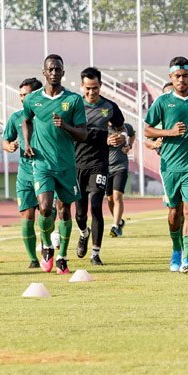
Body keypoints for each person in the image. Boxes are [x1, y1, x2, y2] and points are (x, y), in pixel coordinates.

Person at [144, 57, 188, 273]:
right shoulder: (163, 102)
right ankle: (176, 249)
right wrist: (169, 132)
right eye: (177, 76)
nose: (181, 80)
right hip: (169, 166)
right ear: (171, 77)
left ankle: (186, 258)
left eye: (185, 75)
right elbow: (147, 129)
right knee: (174, 213)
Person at [22, 54, 88, 275]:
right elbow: (26, 120)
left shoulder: (74, 100)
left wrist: (66, 126)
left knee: (64, 211)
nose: (53, 73)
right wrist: (28, 143)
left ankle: (62, 256)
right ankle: (48, 246)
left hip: (67, 164)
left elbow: (83, 134)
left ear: (63, 72)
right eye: (50, 69)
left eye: (57, 69)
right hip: (42, 163)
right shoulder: (32, 99)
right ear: (44, 72)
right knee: (44, 207)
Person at [74, 67, 126, 266]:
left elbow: (121, 129)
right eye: (87, 88)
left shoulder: (110, 107)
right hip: (77, 163)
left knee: (96, 207)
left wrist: (119, 138)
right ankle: (83, 232)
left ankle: (95, 253)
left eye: (95, 88)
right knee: (80, 213)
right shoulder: (74, 106)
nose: (91, 92)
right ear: (82, 86)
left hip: (99, 164)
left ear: (100, 85)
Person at [3, 78, 44, 268]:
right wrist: (9, 146)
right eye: (20, 95)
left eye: (25, 95)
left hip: (46, 172)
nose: (21, 99)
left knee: (47, 215)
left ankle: (47, 247)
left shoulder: (47, 115)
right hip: (25, 174)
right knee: (27, 216)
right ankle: (33, 260)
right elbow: (5, 140)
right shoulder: (16, 117)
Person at [106, 121, 135, 238]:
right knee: (109, 199)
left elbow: (132, 135)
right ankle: (119, 222)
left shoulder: (126, 127)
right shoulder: (100, 127)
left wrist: (129, 145)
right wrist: (107, 141)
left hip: (121, 166)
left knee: (117, 196)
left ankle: (115, 226)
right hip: (105, 167)